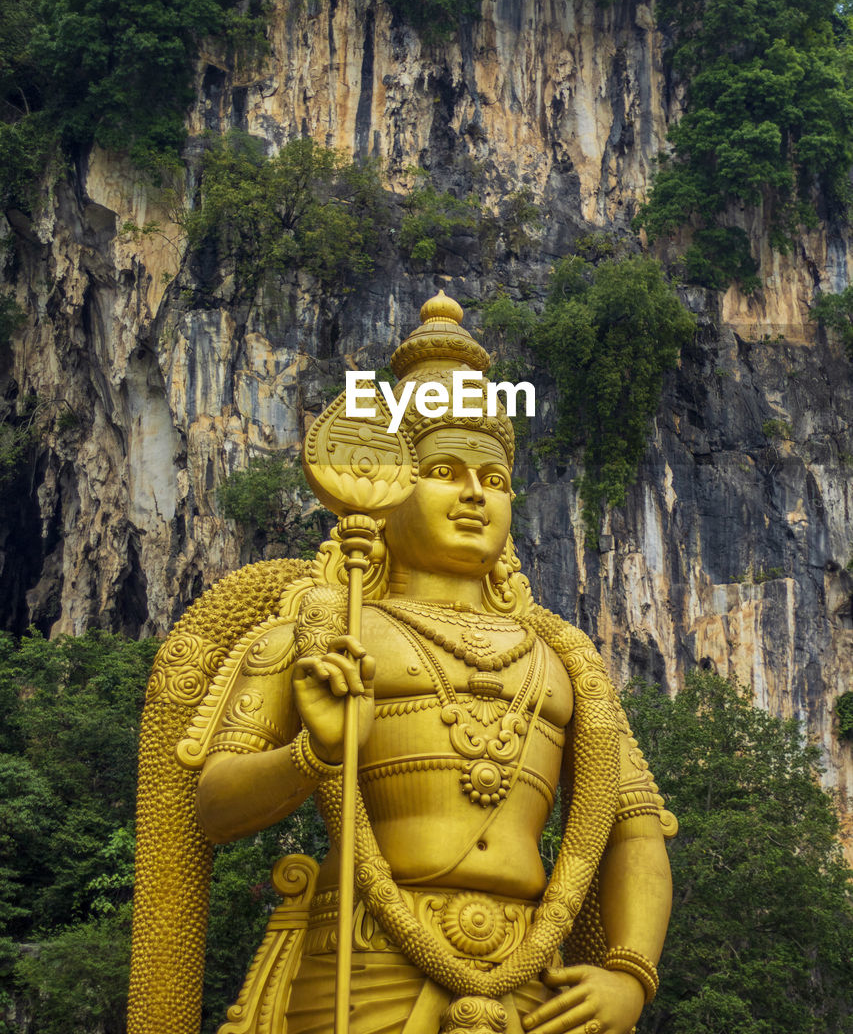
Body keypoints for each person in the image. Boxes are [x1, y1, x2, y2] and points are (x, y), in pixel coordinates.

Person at [130, 292, 674, 1034]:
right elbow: (214, 808)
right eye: (444, 471)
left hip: (531, 975)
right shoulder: (323, 631)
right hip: (361, 965)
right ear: (383, 485)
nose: (474, 496)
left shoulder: (564, 658)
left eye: (494, 479)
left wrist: (628, 973)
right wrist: (313, 753)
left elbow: (633, 827)